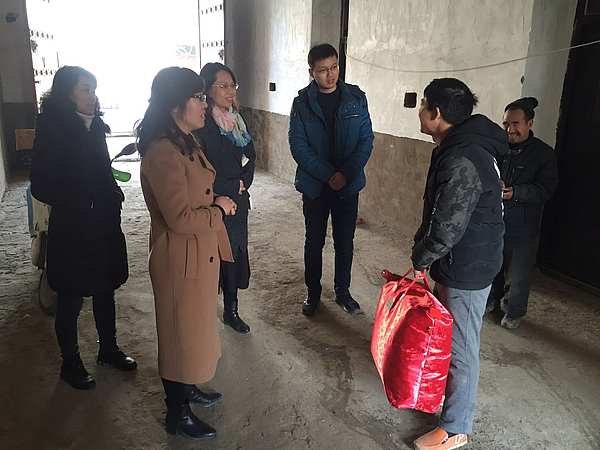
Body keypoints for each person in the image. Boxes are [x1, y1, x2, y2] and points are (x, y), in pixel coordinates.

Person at [136, 67, 236, 440]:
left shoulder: (184, 141)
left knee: (192, 331)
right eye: (198, 97)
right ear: (174, 103)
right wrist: (218, 210)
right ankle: (177, 412)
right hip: (179, 258)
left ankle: (189, 385)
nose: (205, 103)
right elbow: (178, 218)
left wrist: (216, 201)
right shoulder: (163, 152)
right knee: (178, 335)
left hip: (197, 253)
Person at [411, 78, 508, 450]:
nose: (420, 111)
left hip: (467, 265)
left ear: (436, 114)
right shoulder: (461, 145)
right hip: (467, 259)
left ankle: (455, 429)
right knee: (452, 340)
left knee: (462, 349)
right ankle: (448, 407)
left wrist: (421, 258)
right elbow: (441, 211)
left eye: (423, 105)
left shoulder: (463, 156)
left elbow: (447, 227)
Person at [30, 66, 136, 391]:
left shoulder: (94, 126)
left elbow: (102, 168)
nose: (93, 96)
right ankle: (70, 362)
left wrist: (114, 193)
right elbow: (41, 184)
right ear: (67, 93)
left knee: (105, 288)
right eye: (85, 89)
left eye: (94, 89)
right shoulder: (51, 129)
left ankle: (108, 349)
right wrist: (83, 203)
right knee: (71, 297)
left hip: (103, 223)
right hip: (74, 228)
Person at [288, 43, 374, 316]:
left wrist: (346, 174)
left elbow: (366, 140)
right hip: (315, 186)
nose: (330, 74)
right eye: (323, 70)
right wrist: (328, 175)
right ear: (312, 72)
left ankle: (343, 292)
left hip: (347, 185)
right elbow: (298, 147)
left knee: (345, 241)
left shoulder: (356, 98)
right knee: (314, 241)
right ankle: (313, 293)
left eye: (334, 67)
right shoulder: (302, 103)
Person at [485, 97, 559, 329]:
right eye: (506, 123)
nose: (510, 129)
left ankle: (513, 311)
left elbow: (546, 189)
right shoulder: (499, 148)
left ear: (529, 124)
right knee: (493, 265)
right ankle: (491, 301)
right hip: (494, 219)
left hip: (522, 225)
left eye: (516, 124)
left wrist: (516, 192)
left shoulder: (543, 154)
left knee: (517, 273)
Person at [195, 62, 256, 334]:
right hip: (213, 202)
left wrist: (243, 183)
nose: (230, 91)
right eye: (223, 86)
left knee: (234, 255)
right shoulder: (201, 123)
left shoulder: (236, 120)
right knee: (210, 260)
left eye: (233, 85)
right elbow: (198, 169)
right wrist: (229, 186)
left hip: (238, 200)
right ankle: (203, 314)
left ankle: (231, 311)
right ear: (208, 89)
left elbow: (251, 156)